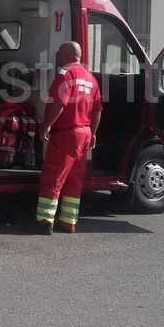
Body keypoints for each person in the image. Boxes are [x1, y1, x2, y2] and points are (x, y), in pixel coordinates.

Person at [23, 41, 101, 235]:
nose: (57, 56)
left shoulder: (65, 74)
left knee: (53, 177)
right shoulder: (91, 79)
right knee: (74, 180)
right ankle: (68, 222)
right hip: (84, 133)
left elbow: (60, 103)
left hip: (66, 133)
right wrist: (93, 132)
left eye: (59, 53)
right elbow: (98, 110)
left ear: (65, 55)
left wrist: (47, 125)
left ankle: (44, 221)